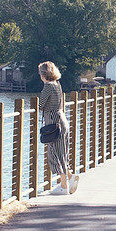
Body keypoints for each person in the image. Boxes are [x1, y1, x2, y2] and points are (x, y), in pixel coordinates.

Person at [37, 61, 77, 195]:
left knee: (54, 153)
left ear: (43, 74)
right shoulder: (58, 85)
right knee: (62, 152)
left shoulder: (48, 86)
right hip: (62, 120)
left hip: (53, 123)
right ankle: (70, 177)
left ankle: (64, 186)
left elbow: (41, 104)